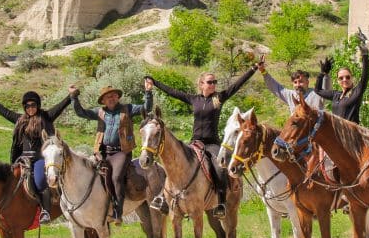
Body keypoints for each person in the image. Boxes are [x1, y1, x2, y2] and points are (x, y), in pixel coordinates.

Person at [146, 59, 261, 218]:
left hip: (212, 144)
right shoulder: (194, 99)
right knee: (174, 163)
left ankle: (220, 202)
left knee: (220, 168)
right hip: (195, 143)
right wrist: (155, 82)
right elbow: (173, 92)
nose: (213, 84)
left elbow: (237, 85)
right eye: (210, 82)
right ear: (201, 84)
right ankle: (163, 197)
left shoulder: (219, 98)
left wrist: (254, 68)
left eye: (214, 82)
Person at [70, 80, 154, 225]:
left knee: (116, 178)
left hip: (122, 152)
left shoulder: (128, 108)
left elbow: (146, 108)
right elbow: (80, 112)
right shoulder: (100, 112)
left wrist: (148, 92)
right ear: (103, 100)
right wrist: (73, 97)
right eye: (108, 97)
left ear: (118, 97)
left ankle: (118, 211)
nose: (112, 98)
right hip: (103, 152)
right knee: (90, 174)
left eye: (114, 95)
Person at [0, 88, 74, 223]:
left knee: (39, 181)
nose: (30, 108)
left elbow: (59, 107)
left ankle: (45, 211)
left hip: (39, 159)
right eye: (27, 106)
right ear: (24, 107)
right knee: (8, 181)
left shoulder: (45, 117)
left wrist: (70, 96)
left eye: (33, 105)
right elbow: (5, 112)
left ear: (37, 106)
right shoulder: (20, 120)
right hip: (22, 159)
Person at [314, 40, 369, 125]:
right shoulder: (335, 95)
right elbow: (317, 90)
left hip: (351, 135)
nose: (344, 80)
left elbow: (364, 77)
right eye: (341, 78)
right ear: (337, 81)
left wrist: (365, 55)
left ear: (352, 78)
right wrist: (322, 73)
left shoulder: (356, 92)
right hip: (336, 134)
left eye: (347, 77)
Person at [258, 62, 323, 111]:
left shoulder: (316, 94)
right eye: (295, 82)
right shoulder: (291, 95)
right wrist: (263, 71)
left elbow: (327, 88)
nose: (298, 85)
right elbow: (274, 86)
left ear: (307, 82)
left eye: (301, 82)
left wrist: (325, 74)